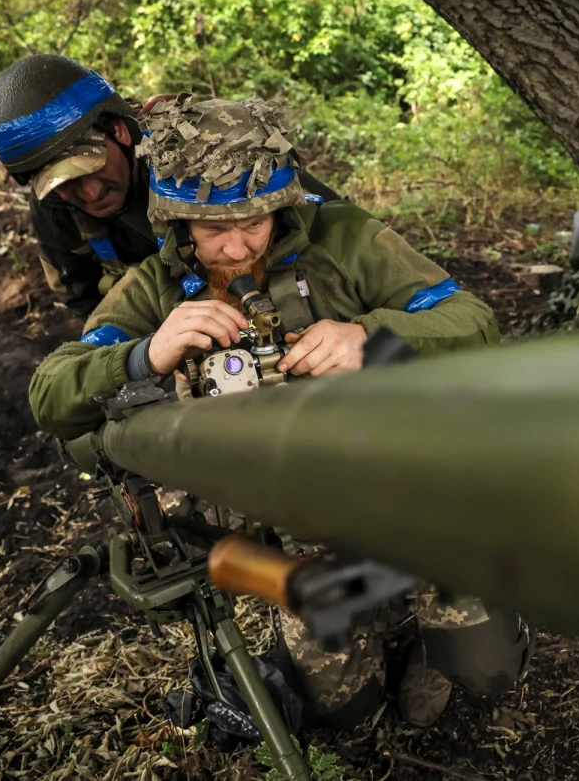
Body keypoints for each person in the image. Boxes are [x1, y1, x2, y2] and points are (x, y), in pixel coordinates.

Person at [27, 94, 532, 729]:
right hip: (304, 530)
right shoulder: (156, 286)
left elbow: (474, 321)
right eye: (214, 230)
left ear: (280, 207)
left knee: (485, 670)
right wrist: (144, 354)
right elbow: (50, 392)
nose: (238, 249)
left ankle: (439, 635)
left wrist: (370, 337)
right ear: (178, 223)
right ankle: (376, 615)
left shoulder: (343, 238)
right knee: (343, 711)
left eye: (254, 223)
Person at [0, 54, 340, 318]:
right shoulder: (54, 203)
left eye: (92, 167)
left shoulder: (190, 150)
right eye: (65, 183)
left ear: (119, 131)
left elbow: (328, 218)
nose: (89, 193)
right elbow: (81, 297)